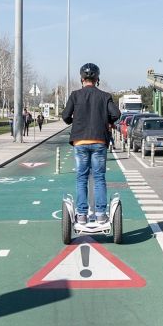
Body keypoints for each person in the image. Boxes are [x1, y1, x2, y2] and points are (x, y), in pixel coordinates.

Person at [61, 63, 120, 224]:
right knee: (99, 177)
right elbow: (116, 114)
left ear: (82, 79)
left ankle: (81, 215)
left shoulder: (75, 95)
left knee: (81, 178)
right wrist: (106, 121)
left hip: (80, 141)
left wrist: (78, 119)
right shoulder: (105, 96)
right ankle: (101, 214)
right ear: (97, 79)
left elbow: (65, 117)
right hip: (99, 141)